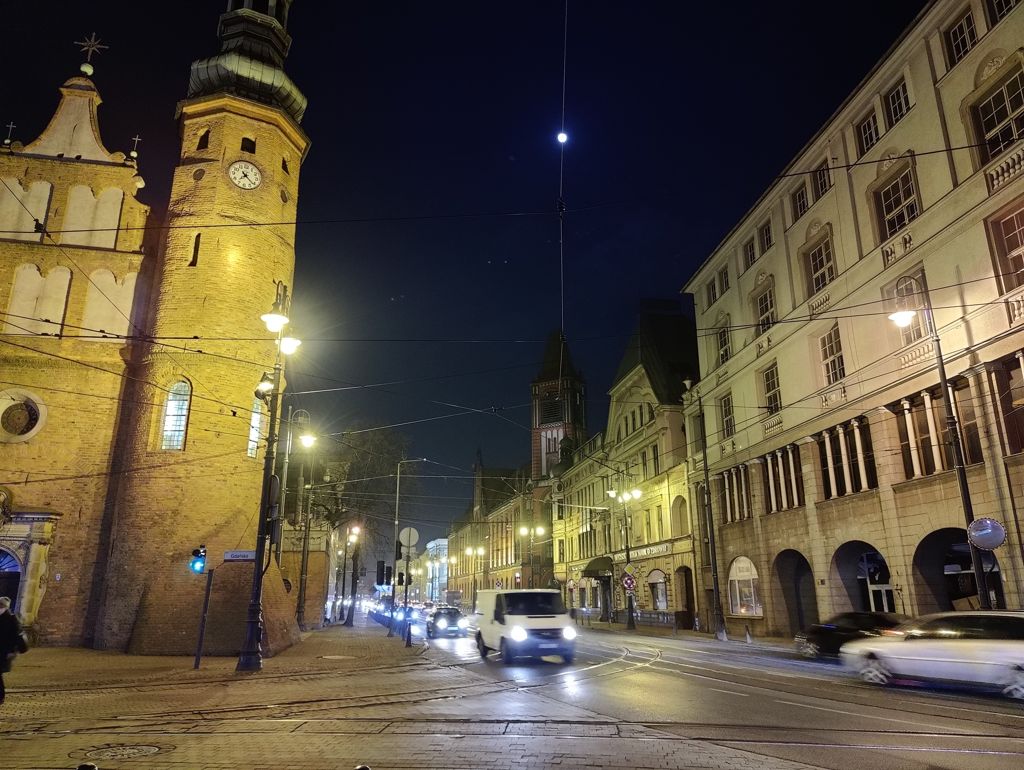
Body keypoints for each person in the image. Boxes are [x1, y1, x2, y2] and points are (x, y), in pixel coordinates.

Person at [0, 596, 28, 705]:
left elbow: (16, 636)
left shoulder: (11, 619)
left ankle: (1, 696)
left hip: (5, 652)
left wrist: (12, 651)